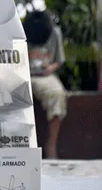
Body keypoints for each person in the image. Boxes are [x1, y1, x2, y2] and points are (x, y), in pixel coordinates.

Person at [23, 10, 67, 159]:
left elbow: (59, 60)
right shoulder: (20, 31)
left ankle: (51, 145)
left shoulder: (55, 32)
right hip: (22, 74)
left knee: (57, 93)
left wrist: (50, 68)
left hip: (45, 76)